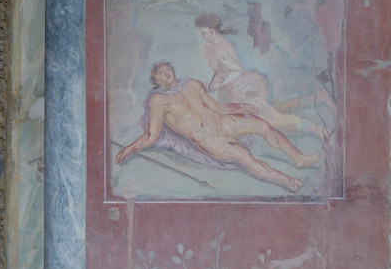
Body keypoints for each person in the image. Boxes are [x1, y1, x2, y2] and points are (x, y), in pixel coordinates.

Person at [115, 61, 320, 192]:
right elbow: (152, 135)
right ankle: (287, 180)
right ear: (156, 80)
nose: (166, 73)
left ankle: (299, 158)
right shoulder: (158, 100)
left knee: (264, 126)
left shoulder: (192, 84)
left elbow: (217, 107)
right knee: (245, 157)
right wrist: (130, 148)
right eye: (161, 73)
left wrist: (240, 106)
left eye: (168, 70)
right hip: (209, 139)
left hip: (223, 122)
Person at [194, 12, 331, 140]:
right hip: (230, 90)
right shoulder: (208, 48)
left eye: (204, 32)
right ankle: (317, 98)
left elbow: (237, 71)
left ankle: (317, 129)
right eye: (202, 32)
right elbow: (220, 71)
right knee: (248, 118)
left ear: (212, 31)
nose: (203, 35)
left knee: (274, 119)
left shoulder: (222, 47)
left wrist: (221, 85)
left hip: (243, 87)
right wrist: (212, 84)